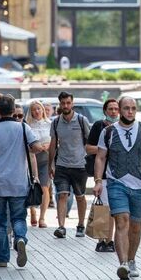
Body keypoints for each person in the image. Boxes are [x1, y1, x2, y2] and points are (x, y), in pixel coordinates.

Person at [92, 95, 141, 280]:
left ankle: (131, 260)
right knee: (122, 221)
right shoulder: (108, 132)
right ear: (120, 110)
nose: (130, 112)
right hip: (116, 183)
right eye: (126, 108)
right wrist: (98, 181)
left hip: (140, 185)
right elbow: (100, 157)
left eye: (133, 108)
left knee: (135, 227)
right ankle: (123, 263)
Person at [0, 95, 39, 268]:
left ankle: (3, 258)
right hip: (19, 183)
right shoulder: (23, 128)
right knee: (19, 217)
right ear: (13, 110)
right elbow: (36, 148)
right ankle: (20, 238)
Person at [48, 91, 91, 238]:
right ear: (59, 104)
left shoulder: (81, 120)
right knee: (62, 195)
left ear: (72, 103)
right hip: (62, 165)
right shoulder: (55, 122)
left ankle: (81, 225)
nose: (66, 106)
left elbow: (89, 142)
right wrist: (50, 165)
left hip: (80, 165)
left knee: (80, 196)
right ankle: (61, 227)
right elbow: (53, 145)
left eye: (68, 103)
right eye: (63, 103)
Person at [85, 98, 120, 252]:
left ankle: (109, 240)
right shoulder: (99, 126)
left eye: (116, 109)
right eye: (110, 109)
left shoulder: (122, 127)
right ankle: (101, 240)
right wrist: (104, 149)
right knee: (103, 207)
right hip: (102, 173)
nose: (113, 112)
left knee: (114, 209)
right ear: (105, 111)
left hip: (118, 173)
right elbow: (88, 148)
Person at [26, 100, 52, 228]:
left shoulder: (49, 124)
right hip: (31, 158)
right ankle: (32, 210)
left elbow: (56, 140)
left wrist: (49, 145)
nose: (37, 111)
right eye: (34, 109)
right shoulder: (28, 125)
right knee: (31, 185)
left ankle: (42, 217)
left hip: (46, 158)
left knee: (44, 187)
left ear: (43, 110)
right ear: (31, 112)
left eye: (39, 109)